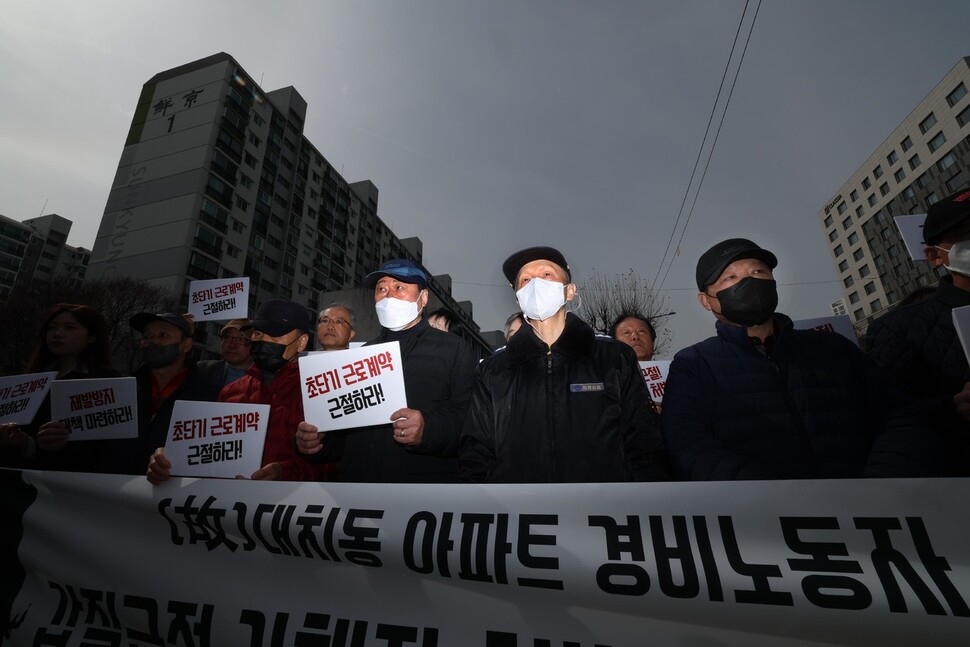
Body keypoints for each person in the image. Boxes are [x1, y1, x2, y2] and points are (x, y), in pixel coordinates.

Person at [662, 238, 940, 480]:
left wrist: (883, 482)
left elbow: (897, 414)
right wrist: (782, 501)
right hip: (770, 523)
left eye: (758, 271)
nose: (748, 281)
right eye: (730, 278)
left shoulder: (833, 348)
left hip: (875, 512)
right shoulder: (694, 365)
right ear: (706, 300)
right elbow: (690, 447)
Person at [460, 246, 668, 482]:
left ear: (569, 291)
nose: (536, 284)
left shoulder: (614, 358)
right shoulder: (493, 370)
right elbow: (475, 453)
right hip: (518, 511)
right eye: (526, 279)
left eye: (547, 274)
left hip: (603, 510)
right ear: (518, 298)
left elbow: (643, 443)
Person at [296, 259, 477, 482]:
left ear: (423, 298)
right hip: (357, 487)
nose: (388, 295)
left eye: (399, 287)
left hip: (421, 491)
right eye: (381, 288)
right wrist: (320, 442)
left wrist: (428, 429)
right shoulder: (359, 356)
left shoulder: (454, 349)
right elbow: (345, 436)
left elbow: (470, 422)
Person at [148, 299, 334, 482]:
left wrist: (283, 472)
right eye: (258, 334)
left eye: (274, 334)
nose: (263, 341)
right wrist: (173, 460)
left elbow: (334, 466)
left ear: (301, 342)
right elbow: (209, 456)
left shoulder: (320, 390)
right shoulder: (230, 392)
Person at [865, 189, 970, 475]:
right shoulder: (898, 330)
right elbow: (883, 417)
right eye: (966, 233)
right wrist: (951, 410)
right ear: (935, 256)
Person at [0, 304, 120, 470]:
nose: (57, 334)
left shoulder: (109, 381)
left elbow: (112, 448)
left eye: (70, 328)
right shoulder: (28, 382)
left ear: (91, 337)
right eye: (52, 328)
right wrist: (24, 442)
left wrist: (63, 443)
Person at [98, 312, 220, 474]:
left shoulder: (209, 394)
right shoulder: (120, 392)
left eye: (163, 335)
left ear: (186, 345)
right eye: (147, 336)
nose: (152, 341)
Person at [196, 318, 253, 388]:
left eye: (240, 339)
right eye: (228, 337)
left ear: (252, 345)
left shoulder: (265, 380)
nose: (232, 345)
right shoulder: (201, 370)